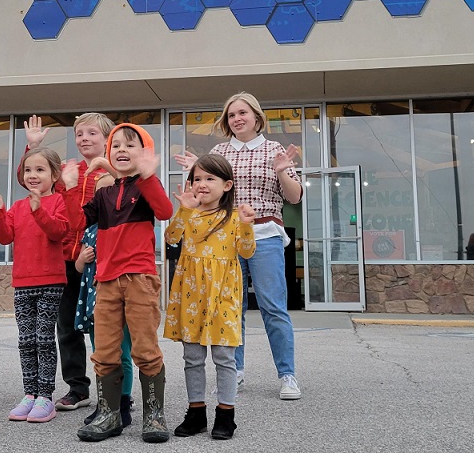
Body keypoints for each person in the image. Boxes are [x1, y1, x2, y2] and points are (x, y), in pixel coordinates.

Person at [175, 92, 303, 401]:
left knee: (273, 306)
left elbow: (295, 196)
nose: (237, 119)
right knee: (231, 309)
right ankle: (236, 370)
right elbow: (204, 193)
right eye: (232, 115)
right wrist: (197, 170)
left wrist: (283, 169)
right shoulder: (219, 152)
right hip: (225, 239)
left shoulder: (274, 150)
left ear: (257, 116)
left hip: (265, 234)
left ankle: (287, 375)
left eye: (243, 113)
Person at [62, 123, 173, 443]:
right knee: (106, 351)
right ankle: (110, 414)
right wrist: (71, 187)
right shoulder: (105, 193)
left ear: (145, 154)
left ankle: (154, 414)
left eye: (130, 146)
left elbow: (165, 211)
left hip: (139, 279)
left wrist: (149, 176)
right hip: (105, 281)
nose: (121, 150)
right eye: (116, 146)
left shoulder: (146, 188)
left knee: (145, 348)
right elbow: (78, 222)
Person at [24, 112, 115, 412]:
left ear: (106, 138)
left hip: (99, 260)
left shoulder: (113, 172)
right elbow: (33, 181)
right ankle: (78, 388)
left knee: (101, 327)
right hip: (64, 260)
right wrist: (32, 147)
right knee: (67, 328)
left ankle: (110, 387)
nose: (85, 139)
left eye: (92, 133)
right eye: (80, 134)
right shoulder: (66, 170)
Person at [165, 154, 256, 439]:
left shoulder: (233, 218)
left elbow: (246, 251)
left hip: (223, 295)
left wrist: (247, 224)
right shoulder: (189, 213)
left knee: (224, 357)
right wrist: (182, 211)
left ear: (227, 185)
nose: (201, 184)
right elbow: (170, 238)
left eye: (209, 179)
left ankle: (226, 415)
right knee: (192, 356)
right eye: (197, 179)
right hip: (191, 295)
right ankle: (196, 413)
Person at [0, 147, 69, 424]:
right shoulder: (17, 207)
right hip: (23, 282)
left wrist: (39, 210)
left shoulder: (58, 201)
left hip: (51, 280)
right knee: (26, 341)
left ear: (54, 175)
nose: (33, 175)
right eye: (29, 170)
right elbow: (5, 237)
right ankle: (29, 394)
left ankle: (45, 397)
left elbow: (59, 231)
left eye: (40, 170)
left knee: (44, 340)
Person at [74, 222, 135, 428]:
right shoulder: (90, 231)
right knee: (101, 355)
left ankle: (123, 404)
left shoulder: (125, 227)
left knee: (122, 353)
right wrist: (83, 258)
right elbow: (78, 267)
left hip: (119, 299)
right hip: (94, 301)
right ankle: (105, 404)